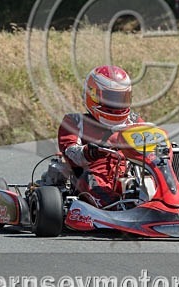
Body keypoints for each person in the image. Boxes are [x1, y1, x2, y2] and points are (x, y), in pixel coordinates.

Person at [57, 65, 143, 207]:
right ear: (93, 95)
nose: (117, 104)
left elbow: (149, 140)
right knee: (91, 180)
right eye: (111, 98)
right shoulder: (75, 121)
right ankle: (114, 207)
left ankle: (172, 199)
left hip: (130, 173)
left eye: (121, 98)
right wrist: (91, 151)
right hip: (95, 174)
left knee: (153, 176)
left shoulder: (134, 121)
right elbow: (70, 153)